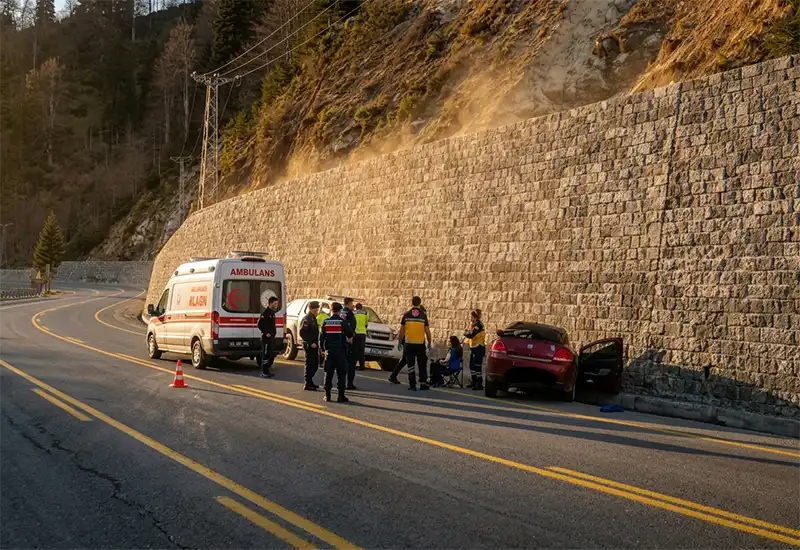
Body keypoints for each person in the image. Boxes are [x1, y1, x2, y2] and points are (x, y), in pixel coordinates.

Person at [320, 302, 354, 402]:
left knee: (328, 374)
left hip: (329, 352)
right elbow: (350, 333)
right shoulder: (342, 322)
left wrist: (322, 350)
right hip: (340, 352)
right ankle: (340, 396)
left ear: (331, 310)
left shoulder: (326, 322)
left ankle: (327, 396)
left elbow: (321, 338)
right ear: (340, 311)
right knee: (341, 375)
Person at [398, 296, 432, 391]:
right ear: (420, 303)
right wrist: (429, 342)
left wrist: (400, 342)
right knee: (422, 364)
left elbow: (402, 331)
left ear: (411, 303)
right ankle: (423, 383)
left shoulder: (406, 315)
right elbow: (427, 330)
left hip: (409, 343)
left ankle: (412, 385)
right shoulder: (423, 315)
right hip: (420, 344)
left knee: (411, 364)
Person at [388, 305, 424, 384]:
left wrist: (401, 342)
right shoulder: (416, 319)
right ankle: (419, 380)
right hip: (410, 342)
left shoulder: (409, 317)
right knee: (407, 360)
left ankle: (393, 376)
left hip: (408, 342)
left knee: (404, 360)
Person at [299, 301, 321, 391]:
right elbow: (302, 333)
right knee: (310, 364)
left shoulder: (313, 318)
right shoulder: (307, 319)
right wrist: (310, 342)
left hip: (315, 345)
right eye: (315, 310)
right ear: (311, 309)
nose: (317, 311)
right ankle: (307, 383)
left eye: (317, 310)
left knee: (315, 365)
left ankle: (310, 381)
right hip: (309, 345)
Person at [257, 296, 280, 378]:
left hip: (271, 338)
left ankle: (268, 370)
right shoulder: (265, 313)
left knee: (271, 354)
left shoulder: (272, 313)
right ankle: (264, 372)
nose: (276, 305)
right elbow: (259, 324)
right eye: (275, 303)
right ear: (270, 303)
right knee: (266, 355)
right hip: (266, 338)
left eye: (277, 303)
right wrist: (266, 333)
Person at [464, 309, 486, 390]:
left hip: (479, 347)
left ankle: (479, 383)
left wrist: (465, 333)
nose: (470, 318)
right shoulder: (474, 325)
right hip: (473, 347)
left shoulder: (479, 325)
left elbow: (472, 335)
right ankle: (474, 382)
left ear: (475, 317)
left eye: (471, 317)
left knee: (477, 366)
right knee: (472, 365)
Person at [341, 297, 358, 390]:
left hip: (343, 340)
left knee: (344, 363)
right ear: (348, 303)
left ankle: (343, 383)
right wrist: (349, 337)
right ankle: (349, 384)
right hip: (349, 340)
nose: (353, 305)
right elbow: (349, 326)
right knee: (351, 363)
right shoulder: (349, 313)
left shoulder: (342, 312)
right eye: (352, 303)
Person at [353, 303, 369, 371]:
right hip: (363, 333)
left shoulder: (353, 313)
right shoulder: (365, 313)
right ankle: (362, 366)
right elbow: (366, 324)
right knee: (361, 351)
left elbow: (352, 323)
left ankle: (353, 365)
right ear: (362, 307)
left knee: (355, 350)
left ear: (356, 308)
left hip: (356, 333)